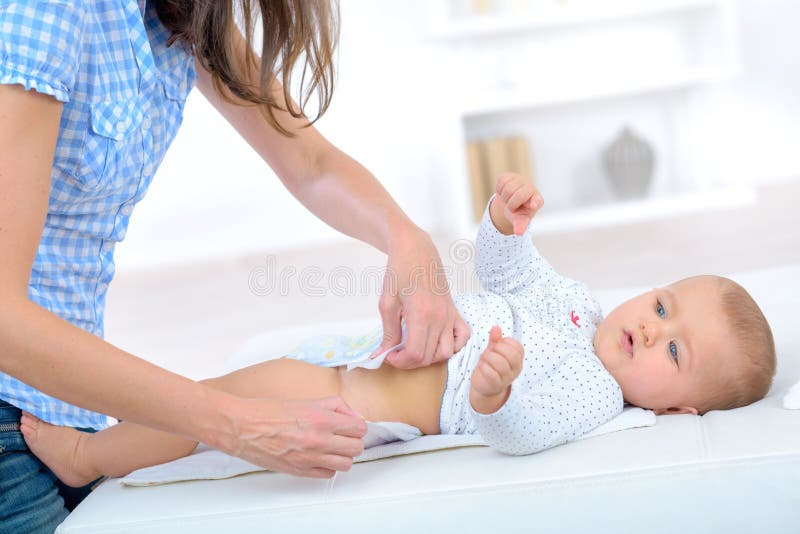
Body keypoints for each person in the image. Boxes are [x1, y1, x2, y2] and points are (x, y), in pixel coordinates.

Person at [0, 1, 469, 530]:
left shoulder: (177, 15)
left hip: (65, 411)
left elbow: (311, 163)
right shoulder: (48, 11)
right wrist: (234, 422)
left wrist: (409, 240)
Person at [20, 172, 777, 486]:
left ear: (679, 409)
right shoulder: (576, 304)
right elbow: (508, 275)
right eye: (661, 306)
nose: (649, 328)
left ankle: (91, 458)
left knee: (218, 404)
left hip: (360, 405)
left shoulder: (597, 398)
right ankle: (120, 426)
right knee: (220, 389)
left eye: (674, 351)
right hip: (364, 360)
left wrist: (493, 392)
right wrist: (503, 228)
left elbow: (519, 433)